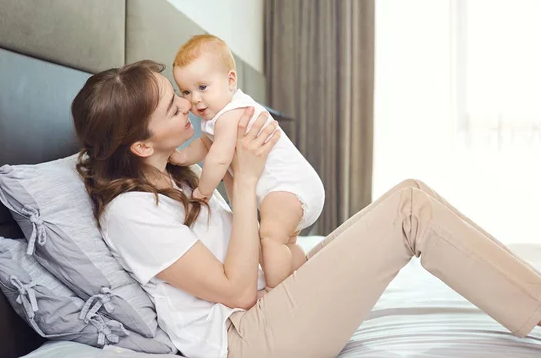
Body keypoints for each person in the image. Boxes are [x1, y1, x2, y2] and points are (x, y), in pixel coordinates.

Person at [71, 60, 541, 358]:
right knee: (408, 209)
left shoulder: (176, 177)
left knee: (408, 198)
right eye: (174, 108)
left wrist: (238, 176)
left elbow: (241, 248)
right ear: (139, 143)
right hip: (247, 340)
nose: (189, 108)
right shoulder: (130, 213)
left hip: (269, 304)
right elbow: (235, 292)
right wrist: (248, 176)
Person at [169, 34, 325, 290]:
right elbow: (206, 144)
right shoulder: (218, 118)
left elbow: (218, 158)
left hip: (290, 188)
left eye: (203, 87)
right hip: (296, 190)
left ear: (230, 81)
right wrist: (183, 156)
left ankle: (277, 291)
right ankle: (302, 280)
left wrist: (203, 191)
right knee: (286, 243)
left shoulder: (232, 114)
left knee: (269, 236)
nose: (195, 99)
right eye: (186, 91)